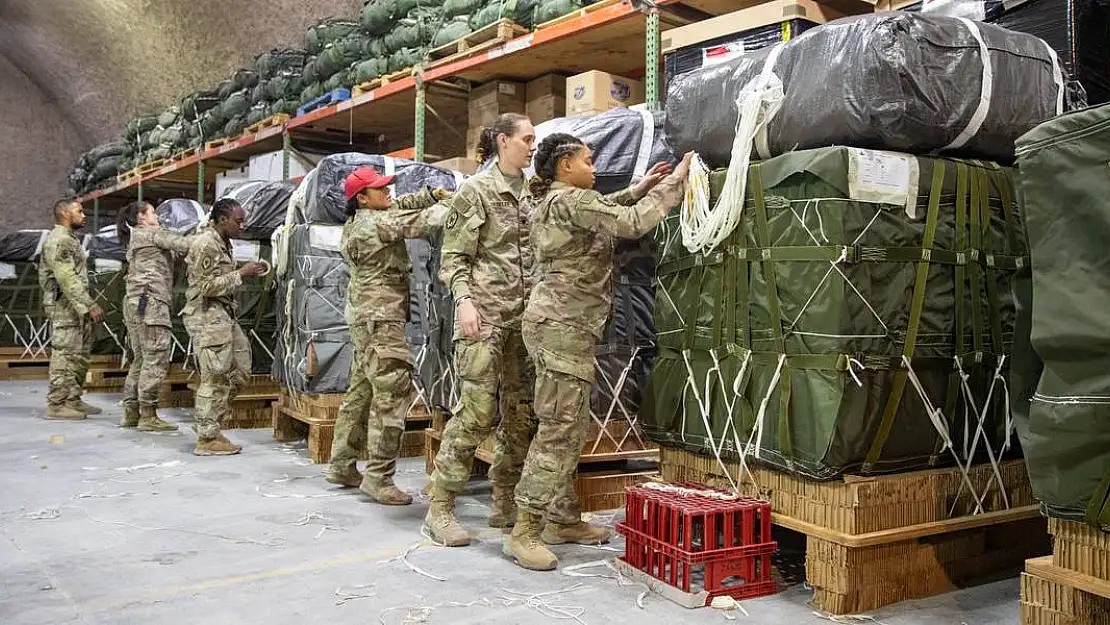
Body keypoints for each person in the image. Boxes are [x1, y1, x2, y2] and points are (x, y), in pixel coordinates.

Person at [504, 133, 692, 571]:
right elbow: (630, 223)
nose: (594, 168)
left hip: (557, 325)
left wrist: (640, 186)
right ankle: (525, 530)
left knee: (566, 425)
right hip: (563, 328)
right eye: (588, 161)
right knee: (559, 431)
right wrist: (676, 182)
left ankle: (563, 519)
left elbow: (607, 210)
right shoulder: (574, 200)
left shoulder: (554, 200)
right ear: (566, 165)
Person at [424, 113, 538, 546]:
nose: (532, 146)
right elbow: (452, 259)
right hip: (483, 318)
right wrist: (465, 302)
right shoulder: (476, 192)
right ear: (503, 141)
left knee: (520, 415)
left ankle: (505, 503)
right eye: (527, 139)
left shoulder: (532, 193)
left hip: (522, 322)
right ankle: (441, 508)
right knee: (475, 414)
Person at [326, 167, 453, 504]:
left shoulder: (362, 219)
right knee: (392, 393)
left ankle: (342, 463)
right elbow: (421, 222)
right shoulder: (375, 223)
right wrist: (460, 204)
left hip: (365, 319)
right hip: (382, 321)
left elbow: (403, 205)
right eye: (380, 190)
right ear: (362, 198)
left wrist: (431, 194)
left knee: (362, 391)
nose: (389, 193)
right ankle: (379, 478)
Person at [183, 198, 267, 455]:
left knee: (240, 371)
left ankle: (210, 424)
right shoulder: (206, 244)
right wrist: (242, 274)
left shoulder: (223, 243)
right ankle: (207, 438)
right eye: (238, 221)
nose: (242, 226)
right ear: (222, 220)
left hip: (224, 316)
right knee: (214, 376)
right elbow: (206, 287)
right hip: (207, 317)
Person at [116, 200, 191, 432]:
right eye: (152, 213)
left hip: (136, 302)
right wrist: (208, 234)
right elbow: (185, 244)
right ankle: (148, 415)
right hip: (151, 303)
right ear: (141, 217)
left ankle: (131, 412)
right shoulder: (151, 233)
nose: (157, 217)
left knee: (140, 359)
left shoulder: (136, 238)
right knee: (156, 357)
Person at [39, 199, 104, 420]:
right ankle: (57, 404)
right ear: (65, 213)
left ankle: (72, 399)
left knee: (79, 355)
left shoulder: (70, 239)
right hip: (64, 307)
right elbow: (67, 278)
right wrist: (90, 304)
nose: (84, 215)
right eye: (79, 211)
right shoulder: (59, 241)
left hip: (75, 308)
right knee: (64, 355)